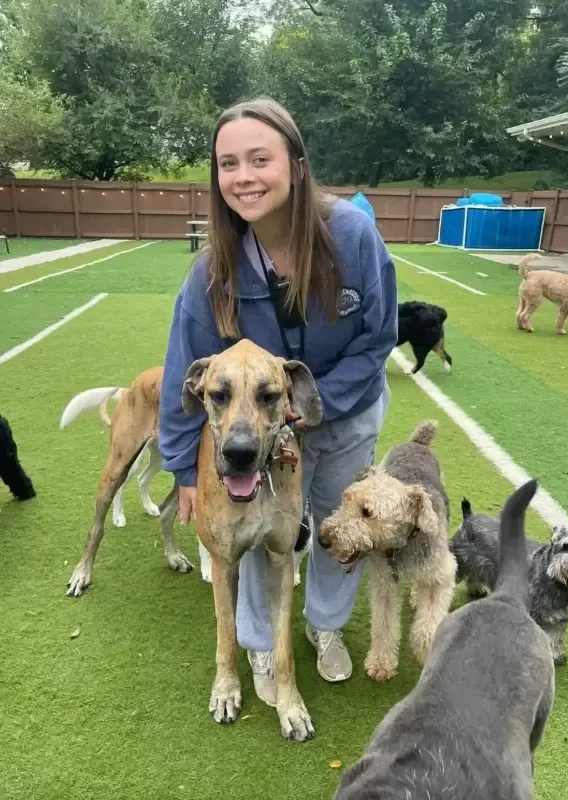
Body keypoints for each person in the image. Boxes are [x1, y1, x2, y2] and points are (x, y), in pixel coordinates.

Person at [159, 97, 397, 706]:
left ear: (296, 163)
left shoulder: (352, 235)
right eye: (228, 163)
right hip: (256, 427)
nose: (244, 177)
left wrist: (307, 408)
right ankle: (261, 644)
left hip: (343, 410)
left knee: (338, 525)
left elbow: (377, 339)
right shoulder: (215, 268)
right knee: (253, 529)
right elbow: (181, 368)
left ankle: (325, 627)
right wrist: (185, 466)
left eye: (259, 159)